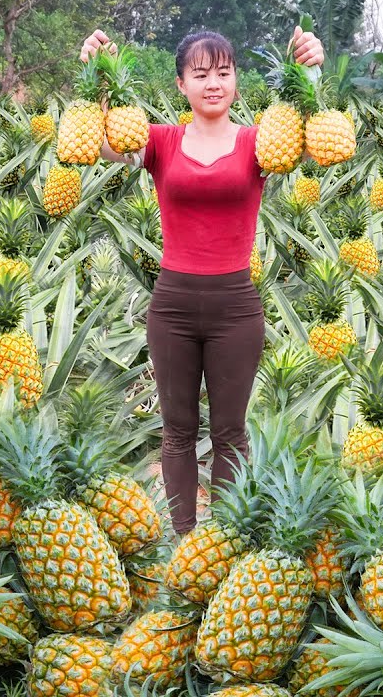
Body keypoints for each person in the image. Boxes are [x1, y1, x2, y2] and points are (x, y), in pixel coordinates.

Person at [78, 26, 325, 535]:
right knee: (177, 433)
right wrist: (97, 74)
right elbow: (101, 144)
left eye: (224, 72)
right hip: (172, 307)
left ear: (236, 81)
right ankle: (184, 542)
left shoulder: (260, 142)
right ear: (180, 85)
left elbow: (319, 146)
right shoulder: (162, 141)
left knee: (232, 433)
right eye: (201, 73)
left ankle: (227, 544)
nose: (214, 83)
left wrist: (311, 69)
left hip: (236, 307)